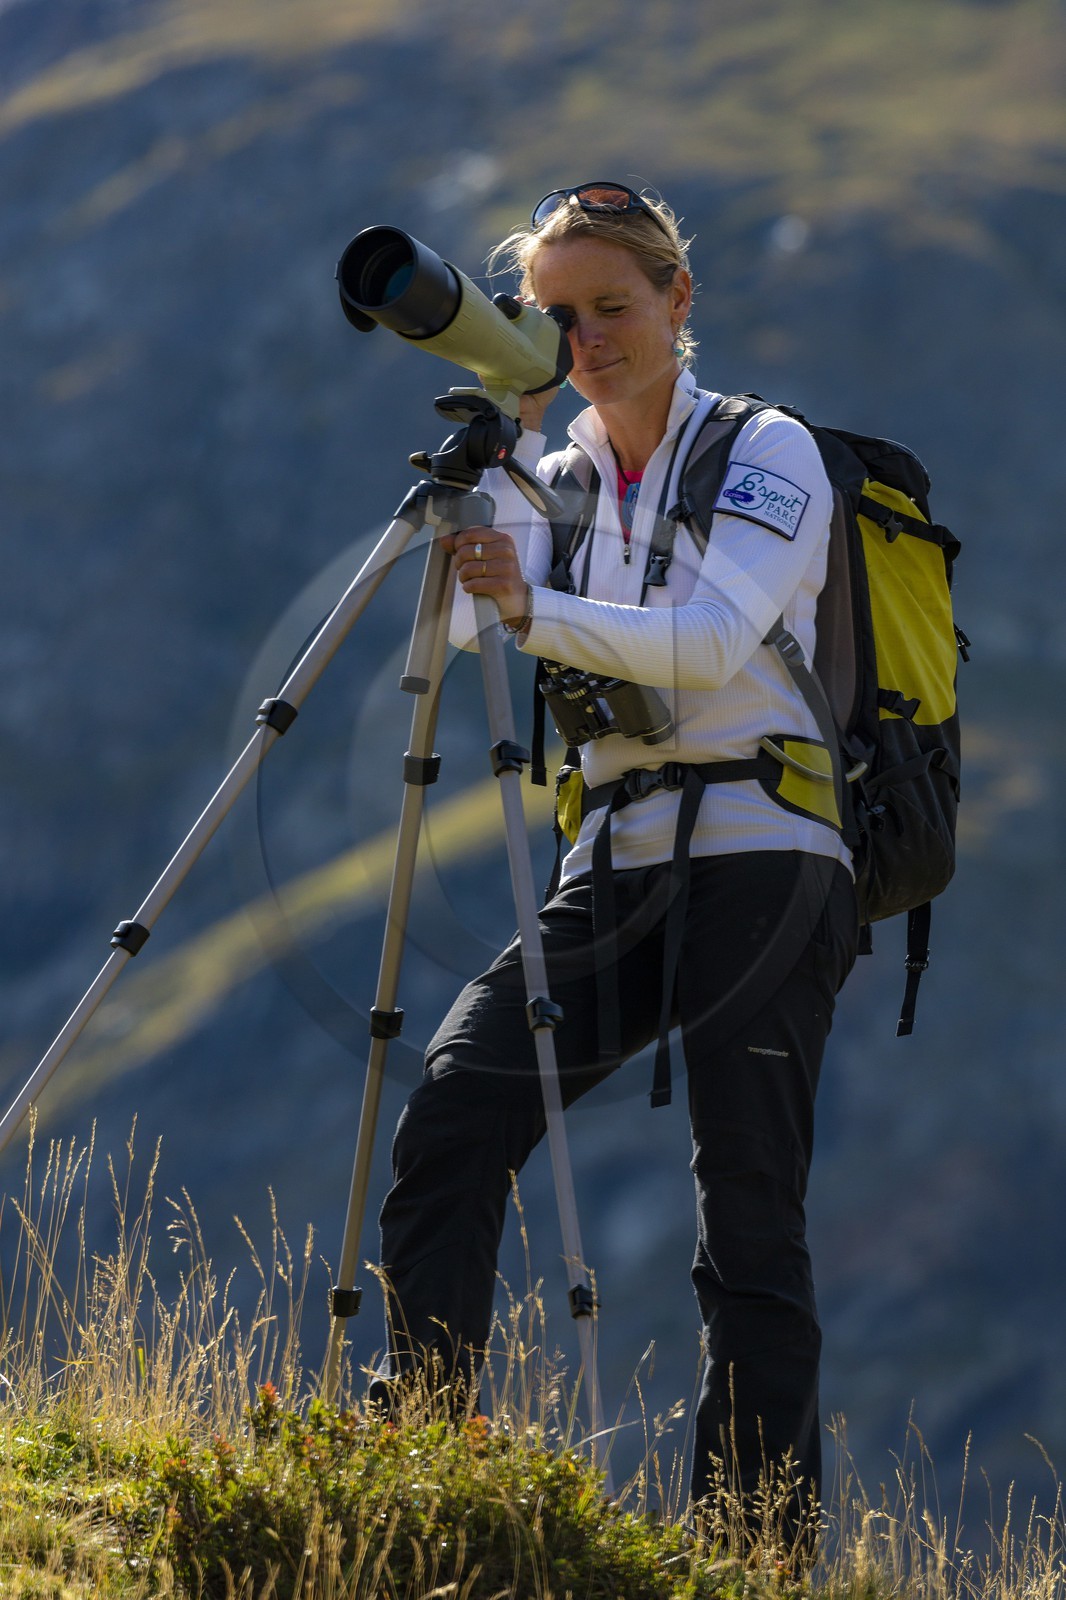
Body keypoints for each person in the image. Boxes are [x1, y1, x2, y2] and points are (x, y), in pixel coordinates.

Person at [370, 181, 859, 1538]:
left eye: (611, 308)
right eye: (553, 315)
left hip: (768, 849)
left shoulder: (769, 450)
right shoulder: (556, 473)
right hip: (619, 851)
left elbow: (707, 643)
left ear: (677, 303)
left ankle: (751, 1550)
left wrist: (527, 599)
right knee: (456, 1114)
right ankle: (423, 1466)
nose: (585, 339)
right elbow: (468, 642)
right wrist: (502, 458)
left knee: (745, 1210)